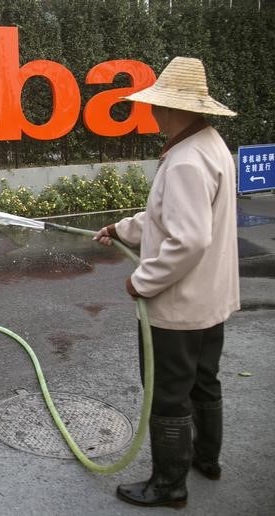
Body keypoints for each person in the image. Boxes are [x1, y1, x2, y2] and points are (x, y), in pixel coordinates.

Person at [93, 56, 239, 508]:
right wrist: (122, 229)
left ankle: (169, 485)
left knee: (168, 395)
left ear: (172, 109)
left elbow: (188, 239)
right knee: (204, 381)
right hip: (208, 301)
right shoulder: (211, 145)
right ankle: (205, 459)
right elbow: (168, 218)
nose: (152, 113)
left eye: (156, 106)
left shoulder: (185, 161)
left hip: (178, 307)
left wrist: (143, 280)